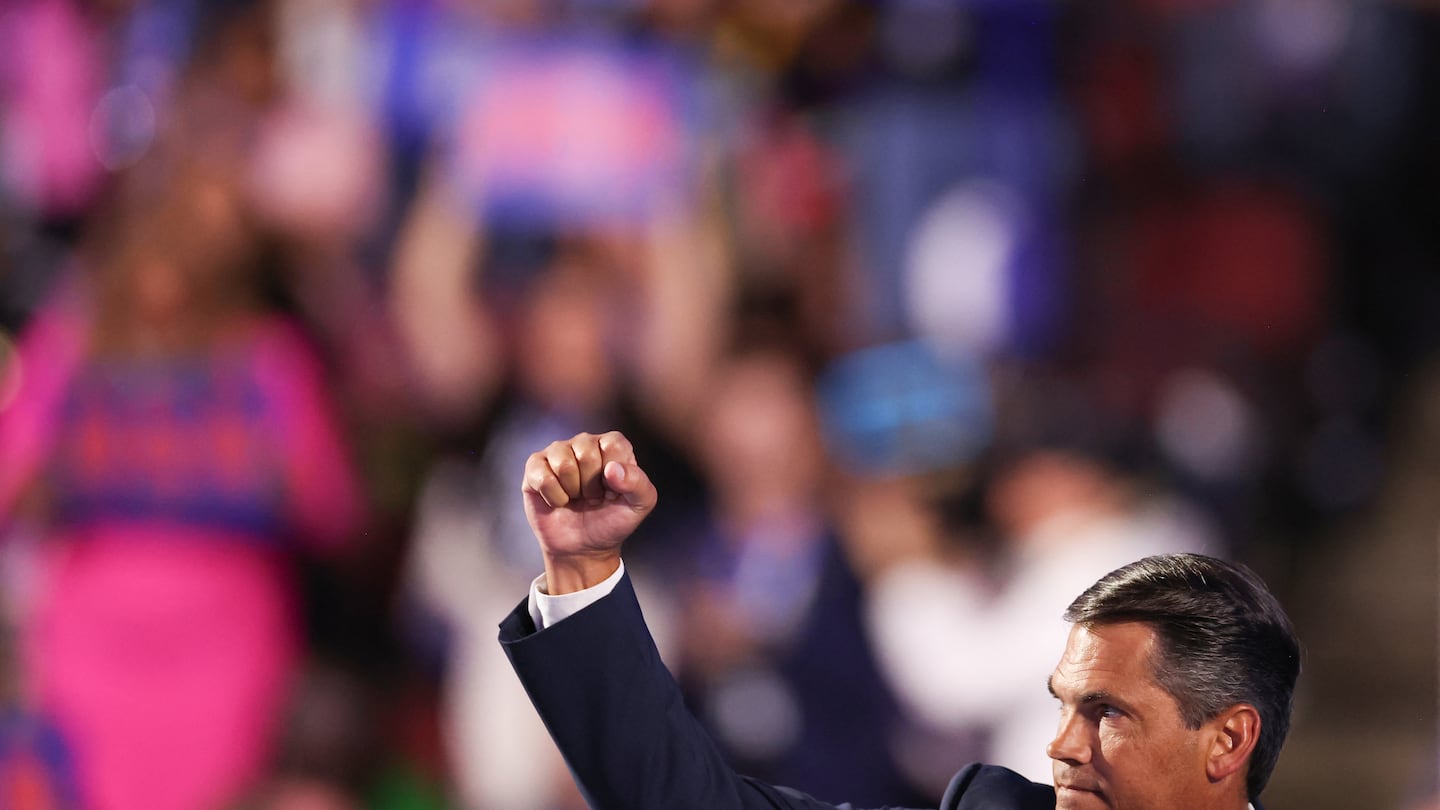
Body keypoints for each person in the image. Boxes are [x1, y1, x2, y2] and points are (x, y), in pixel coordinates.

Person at [499, 431, 1301, 810]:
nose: (1060, 745)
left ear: (1227, 741)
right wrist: (582, 572)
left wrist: (906, 568)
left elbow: (955, 672)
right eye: (1062, 704)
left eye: (1106, 714)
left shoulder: (1129, 538)